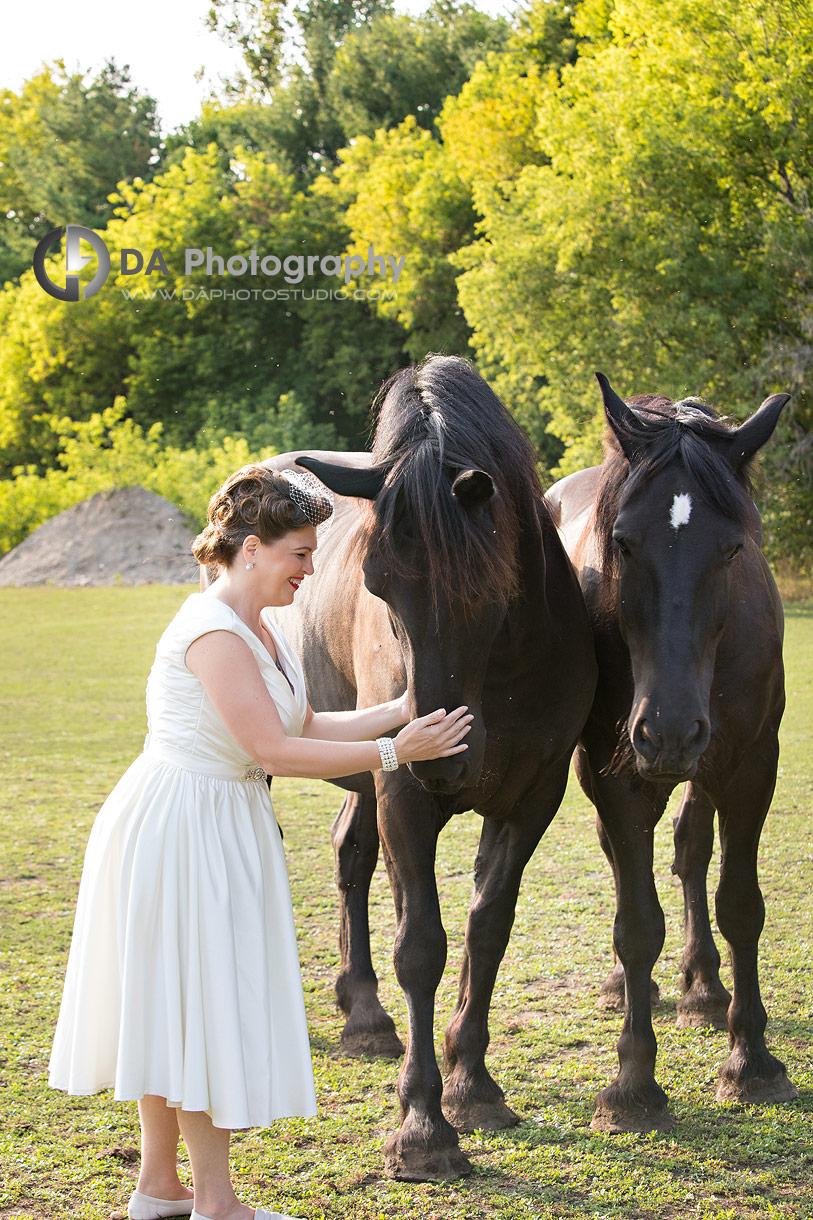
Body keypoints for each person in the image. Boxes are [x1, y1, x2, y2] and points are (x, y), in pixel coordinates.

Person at [48, 464, 472, 1220]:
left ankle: (159, 1188)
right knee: (196, 1009)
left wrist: (398, 708)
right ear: (249, 549)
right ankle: (216, 1205)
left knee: (173, 1005)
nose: (311, 571)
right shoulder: (211, 632)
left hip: (218, 821)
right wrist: (395, 754)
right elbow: (274, 751)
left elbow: (305, 724)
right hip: (182, 827)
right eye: (299, 555)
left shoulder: (264, 626)